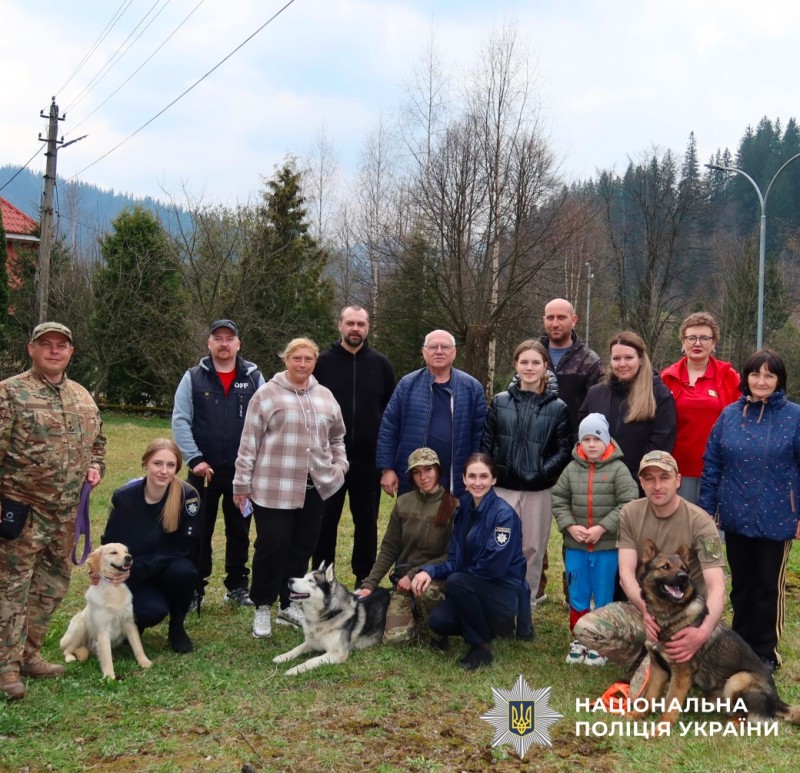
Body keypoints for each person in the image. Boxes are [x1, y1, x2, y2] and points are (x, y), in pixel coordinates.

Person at [0, 322, 105, 700]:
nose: (55, 350)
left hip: (64, 514)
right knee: (11, 589)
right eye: (47, 345)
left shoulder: (82, 397)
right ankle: (5, 668)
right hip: (20, 510)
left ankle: (29, 654)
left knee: (51, 587)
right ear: (32, 349)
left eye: (62, 345)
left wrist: (96, 465)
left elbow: (99, 442)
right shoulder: (11, 392)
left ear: (71, 352)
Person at [233, 338, 348, 639]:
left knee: (302, 547)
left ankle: (289, 604)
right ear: (286, 359)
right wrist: (241, 484)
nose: (302, 364)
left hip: (314, 488)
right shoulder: (267, 395)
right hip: (274, 487)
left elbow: (337, 438)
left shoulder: (325, 396)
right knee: (272, 546)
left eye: (308, 359)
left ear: (315, 362)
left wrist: (340, 466)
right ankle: (262, 606)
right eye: (296, 358)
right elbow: (249, 443)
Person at [574, 451, 726, 673]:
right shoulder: (630, 513)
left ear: (678, 480)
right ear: (641, 482)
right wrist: (645, 610)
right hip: (645, 606)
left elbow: (717, 587)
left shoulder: (701, 521)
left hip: (687, 616)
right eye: (649, 478)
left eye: (664, 478)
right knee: (587, 629)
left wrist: (702, 632)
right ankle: (643, 657)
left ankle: (673, 659)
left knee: (653, 691)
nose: (657, 485)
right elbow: (626, 575)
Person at [698, 349, 800, 672]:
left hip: (778, 516)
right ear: (746, 378)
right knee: (741, 585)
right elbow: (712, 462)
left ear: (780, 380)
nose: (761, 381)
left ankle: (766, 653)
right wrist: (706, 508)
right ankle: (739, 647)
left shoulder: (795, 417)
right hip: (735, 515)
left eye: (769, 375)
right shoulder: (729, 415)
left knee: (767, 587)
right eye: (756, 374)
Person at [172, 319, 265, 609]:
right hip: (203, 473)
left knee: (239, 531)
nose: (224, 344)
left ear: (238, 344)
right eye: (218, 338)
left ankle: (237, 586)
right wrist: (195, 459)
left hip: (242, 473)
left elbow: (266, 421)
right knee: (197, 530)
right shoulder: (193, 377)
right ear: (209, 343)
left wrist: (253, 463)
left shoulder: (253, 378)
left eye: (229, 338)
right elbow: (180, 420)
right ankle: (194, 588)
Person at [410, 453, 527, 670]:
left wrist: (460, 579)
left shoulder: (504, 516)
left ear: (493, 479)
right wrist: (428, 571)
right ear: (463, 479)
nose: (477, 482)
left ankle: (481, 647)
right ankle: (485, 627)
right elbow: (454, 559)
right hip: (472, 588)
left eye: (484, 476)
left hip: (503, 595)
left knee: (456, 581)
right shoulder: (463, 509)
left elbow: (494, 568)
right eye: (472, 476)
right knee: (439, 621)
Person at [481, 339, 570, 614]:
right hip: (504, 488)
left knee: (532, 547)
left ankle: (526, 605)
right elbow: (487, 443)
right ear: (516, 365)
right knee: (501, 544)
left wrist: (542, 472)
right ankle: (498, 603)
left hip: (538, 490)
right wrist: (492, 472)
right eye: (524, 362)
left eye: (535, 362)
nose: (529, 368)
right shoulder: (500, 401)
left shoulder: (558, 407)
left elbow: (564, 449)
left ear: (545, 366)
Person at [312, 305, 396, 587]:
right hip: (328, 459)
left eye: (361, 324)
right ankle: (322, 578)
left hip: (368, 460)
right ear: (340, 326)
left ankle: (365, 578)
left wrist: (387, 462)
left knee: (366, 522)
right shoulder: (322, 363)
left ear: (368, 327)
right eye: (350, 323)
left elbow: (391, 412)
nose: (355, 329)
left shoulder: (381, 365)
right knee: (325, 522)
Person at [551, 413, 639, 666]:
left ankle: (602, 641)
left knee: (602, 594)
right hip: (576, 546)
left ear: (606, 440)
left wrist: (603, 527)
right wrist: (569, 525)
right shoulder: (571, 469)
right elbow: (558, 499)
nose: (591, 444)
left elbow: (628, 502)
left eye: (596, 438)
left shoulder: (618, 469)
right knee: (577, 592)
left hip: (606, 546)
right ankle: (580, 638)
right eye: (585, 439)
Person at [101, 439, 202, 654]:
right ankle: (134, 624)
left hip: (163, 568)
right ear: (145, 464)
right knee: (151, 611)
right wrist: (107, 573)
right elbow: (109, 542)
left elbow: (185, 546)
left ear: (177, 468)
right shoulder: (124, 497)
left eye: (170, 465)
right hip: (133, 573)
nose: (163, 471)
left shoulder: (188, 496)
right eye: (157, 463)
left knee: (185, 571)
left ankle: (177, 628)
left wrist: (143, 565)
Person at [538, 297, 604, 606]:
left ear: (573, 320)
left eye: (561, 317)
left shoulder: (588, 360)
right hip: (536, 453)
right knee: (534, 526)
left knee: (574, 527)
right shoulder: (533, 354)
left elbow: (595, 406)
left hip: (574, 456)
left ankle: (573, 589)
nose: (555, 323)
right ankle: (535, 584)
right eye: (550, 317)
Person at [355, 448, 457, 644]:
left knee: (428, 593)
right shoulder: (403, 503)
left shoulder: (453, 505)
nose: (423, 477)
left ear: (437, 470)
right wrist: (369, 584)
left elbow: (451, 555)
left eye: (428, 470)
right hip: (402, 582)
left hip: (434, 578)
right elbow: (389, 549)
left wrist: (416, 574)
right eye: (416, 472)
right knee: (396, 640)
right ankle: (416, 618)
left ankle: (437, 628)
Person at [376, 330, 486, 498]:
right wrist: (387, 468)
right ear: (424, 352)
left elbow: (480, 434)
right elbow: (389, 428)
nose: (439, 351)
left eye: (445, 347)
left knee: (457, 522)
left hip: (456, 477)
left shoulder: (472, 387)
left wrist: (476, 472)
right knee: (415, 523)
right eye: (433, 346)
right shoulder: (407, 384)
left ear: (454, 352)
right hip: (414, 477)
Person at [661, 312, 740, 503]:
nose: (697, 343)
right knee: (680, 528)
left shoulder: (729, 377)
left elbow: (741, 421)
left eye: (704, 338)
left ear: (713, 343)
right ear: (683, 342)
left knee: (713, 531)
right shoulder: (666, 378)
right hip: (676, 470)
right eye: (691, 338)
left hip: (719, 470)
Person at [579, 331, 676, 483]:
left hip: (640, 485)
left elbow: (660, 444)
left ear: (641, 359)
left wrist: (632, 480)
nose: (622, 364)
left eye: (629, 358)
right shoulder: (595, 394)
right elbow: (580, 438)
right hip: (599, 484)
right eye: (616, 358)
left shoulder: (659, 395)